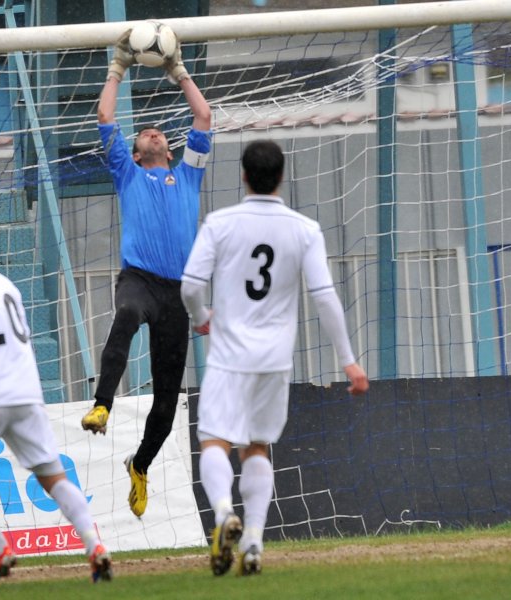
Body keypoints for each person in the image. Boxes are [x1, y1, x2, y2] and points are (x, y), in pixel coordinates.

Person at [180, 140, 369, 576]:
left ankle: (225, 511)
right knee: (258, 446)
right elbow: (324, 295)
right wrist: (348, 360)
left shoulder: (220, 223)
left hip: (229, 355)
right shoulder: (303, 228)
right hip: (275, 358)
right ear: (281, 177)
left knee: (214, 439)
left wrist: (201, 316)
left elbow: (190, 285)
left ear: (243, 175)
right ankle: (252, 542)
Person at [0, 225, 112, 583]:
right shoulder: (4, 284)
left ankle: (0, 549)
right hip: (26, 392)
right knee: (54, 477)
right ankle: (94, 544)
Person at [79, 27, 212, 519]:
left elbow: (203, 115)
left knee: (166, 396)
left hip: (179, 292)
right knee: (127, 315)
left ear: (170, 151)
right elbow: (105, 116)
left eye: (160, 132)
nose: (153, 131)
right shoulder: (127, 172)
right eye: (146, 133)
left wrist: (178, 70)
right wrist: (118, 67)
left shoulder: (190, 172)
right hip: (139, 279)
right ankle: (102, 405)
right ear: (135, 154)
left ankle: (141, 464)